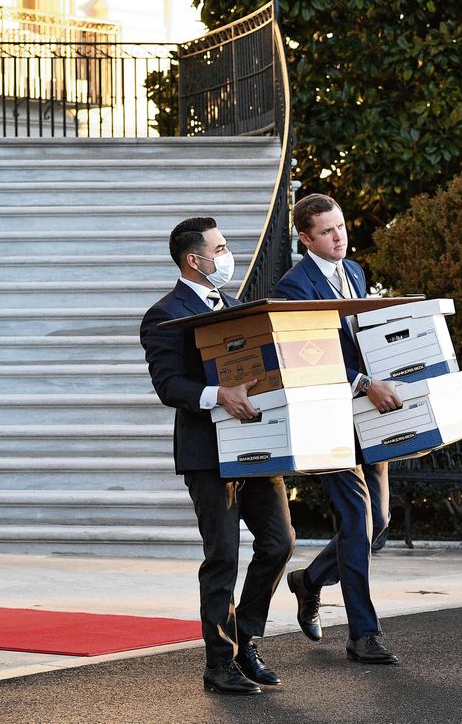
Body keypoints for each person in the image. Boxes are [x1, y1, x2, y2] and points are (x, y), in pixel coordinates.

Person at [140, 217, 296, 695]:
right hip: (207, 454)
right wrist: (218, 395)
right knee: (223, 557)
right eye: (221, 247)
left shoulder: (234, 308)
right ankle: (219, 664)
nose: (228, 256)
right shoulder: (163, 315)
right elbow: (169, 386)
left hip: (255, 447)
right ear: (195, 259)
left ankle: (245, 639)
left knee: (279, 542)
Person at [273, 192, 404, 665]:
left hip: (369, 417)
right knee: (355, 522)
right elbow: (308, 358)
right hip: (328, 419)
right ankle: (363, 634)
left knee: (378, 523)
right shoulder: (294, 287)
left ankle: (308, 581)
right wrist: (365, 383)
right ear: (306, 238)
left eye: (341, 227)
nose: (339, 237)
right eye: (327, 232)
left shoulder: (354, 273)